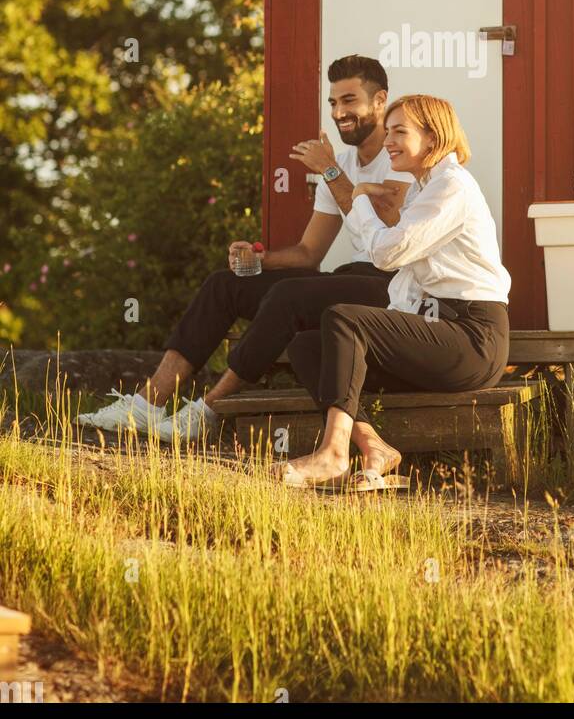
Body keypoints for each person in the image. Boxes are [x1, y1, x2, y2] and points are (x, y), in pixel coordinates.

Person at [76, 56, 414, 464]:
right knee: (226, 284)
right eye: (332, 102)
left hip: (392, 285)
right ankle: (146, 404)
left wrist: (327, 172)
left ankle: (207, 411)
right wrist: (260, 257)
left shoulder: (400, 157)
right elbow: (309, 253)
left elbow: (387, 231)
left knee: (291, 295)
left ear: (380, 101)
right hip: (349, 276)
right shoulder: (339, 165)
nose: (339, 112)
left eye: (349, 100)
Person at [280, 94, 511, 489]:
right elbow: (380, 247)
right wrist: (360, 200)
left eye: (400, 131)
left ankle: (333, 454)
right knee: (307, 346)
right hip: (436, 329)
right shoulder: (425, 188)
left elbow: (386, 253)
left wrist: (360, 198)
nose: (388, 141)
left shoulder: (451, 186)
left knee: (343, 317)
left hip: (472, 338)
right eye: (387, 131)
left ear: (434, 138)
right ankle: (375, 447)